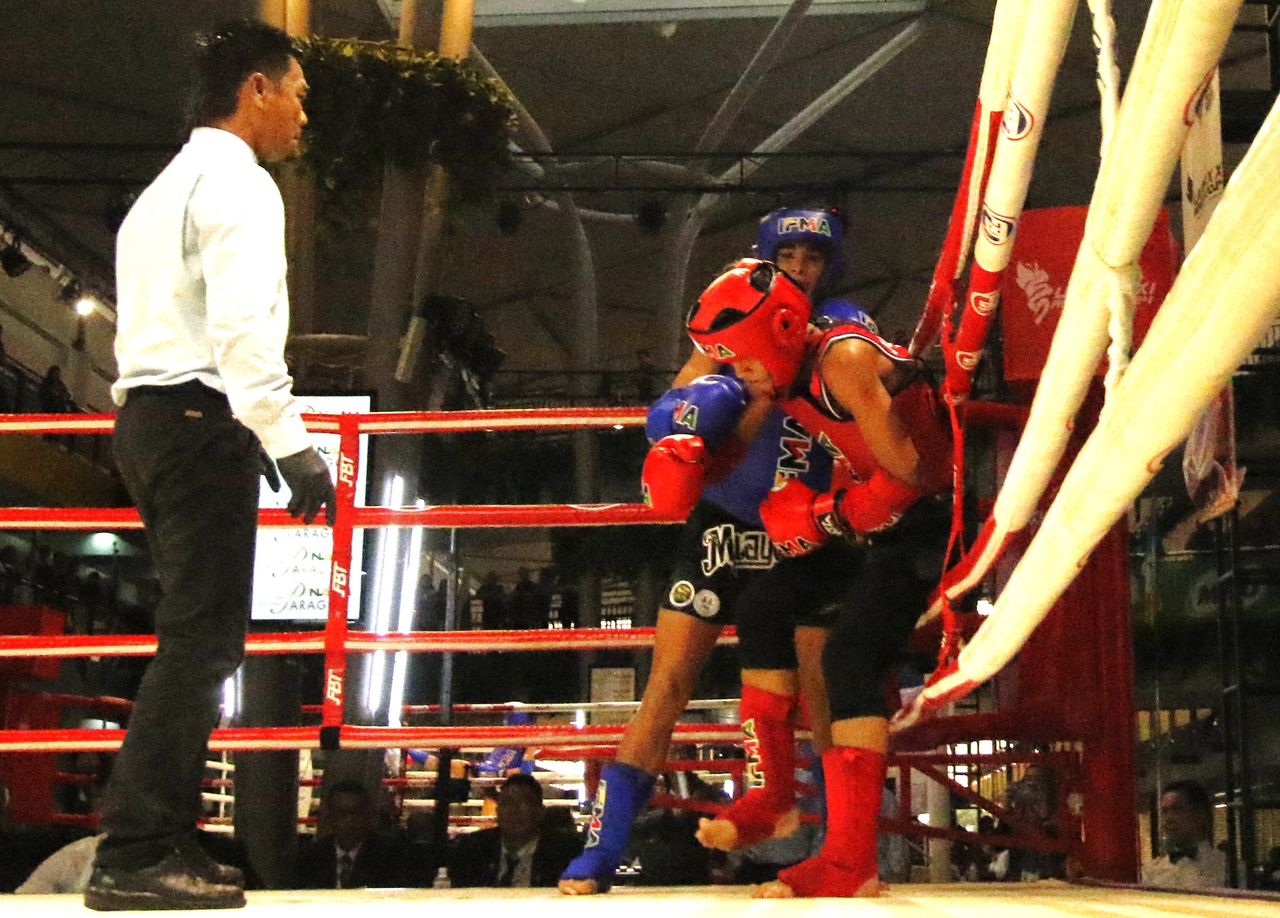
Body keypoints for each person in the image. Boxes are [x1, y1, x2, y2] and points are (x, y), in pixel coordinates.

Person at [84, 20, 334, 912]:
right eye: (296, 93)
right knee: (202, 640)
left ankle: (157, 839)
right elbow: (240, 334)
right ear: (255, 90)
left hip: (154, 421)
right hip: (196, 419)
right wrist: (292, 443)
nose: (303, 113)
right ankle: (137, 849)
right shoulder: (241, 185)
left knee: (194, 634)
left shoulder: (163, 190)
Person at [560, 208, 863, 896]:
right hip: (723, 524)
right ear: (768, 259)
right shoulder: (733, 323)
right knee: (666, 685)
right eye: (788, 255)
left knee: (819, 691)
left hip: (803, 528)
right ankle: (602, 851)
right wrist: (727, 398)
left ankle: (842, 852)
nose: (800, 268)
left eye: (813, 257)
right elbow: (671, 416)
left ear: (830, 266)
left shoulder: (841, 331)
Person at [684, 257, 952, 898]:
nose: (741, 374)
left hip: (934, 521)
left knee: (849, 660)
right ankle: (773, 795)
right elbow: (846, 456)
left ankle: (851, 862)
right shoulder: (789, 376)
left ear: (778, 331)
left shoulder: (842, 360)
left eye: (742, 359)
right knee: (761, 606)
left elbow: (916, 471)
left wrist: (827, 515)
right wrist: (684, 463)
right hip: (877, 521)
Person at [450, 773, 581, 887]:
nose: (513, 810)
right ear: (497, 811)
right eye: (507, 803)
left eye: (523, 803)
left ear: (540, 811)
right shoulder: (472, 849)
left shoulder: (562, 855)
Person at [295, 781, 417, 889]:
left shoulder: (389, 857)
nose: (349, 820)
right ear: (330, 817)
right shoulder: (312, 857)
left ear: (368, 816)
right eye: (342, 814)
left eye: (356, 813)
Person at [1142, 779, 1226, 889]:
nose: (1168, 819)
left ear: (1200, 814)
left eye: (1177, 810)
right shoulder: (1150, 872)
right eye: (1165, 811)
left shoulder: (1227, 868)